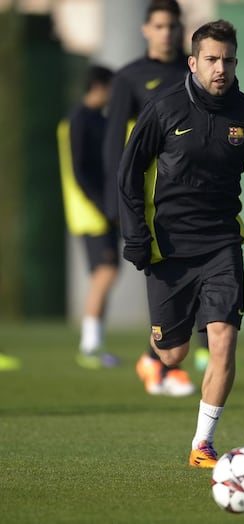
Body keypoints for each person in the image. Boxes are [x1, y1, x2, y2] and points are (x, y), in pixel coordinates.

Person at [117, 19, 244, 467]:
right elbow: (128, 174)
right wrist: (135, 234)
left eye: (228, 60)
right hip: (168, 249)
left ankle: (202, 444)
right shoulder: (163, 108)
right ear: (193, 63)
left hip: (221, 247)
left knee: (224, 341)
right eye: (211, 59)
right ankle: (156, 359)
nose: (220, 69)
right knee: (172, 351)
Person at [104, 0, 207, 395]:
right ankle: (160, 363)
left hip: (191, 198)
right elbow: (117, 145)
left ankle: (156, 361)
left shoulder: (194, 71)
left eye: (172, 25)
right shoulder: (130, 78)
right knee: (170, 280)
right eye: (159, 26)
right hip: (148, 203)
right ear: (146, 29)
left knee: (200, 278)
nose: (166, 32)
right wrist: (117, 205)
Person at [57, 65, 120, 369]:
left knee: (107, 272)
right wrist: (104, 206)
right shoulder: (80, 119)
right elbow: (80, 172)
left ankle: (96, 343)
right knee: (104, 273)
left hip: (102, 209)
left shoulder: (99, 119)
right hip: (91, 212)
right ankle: (89, 345)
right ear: (98, 86)